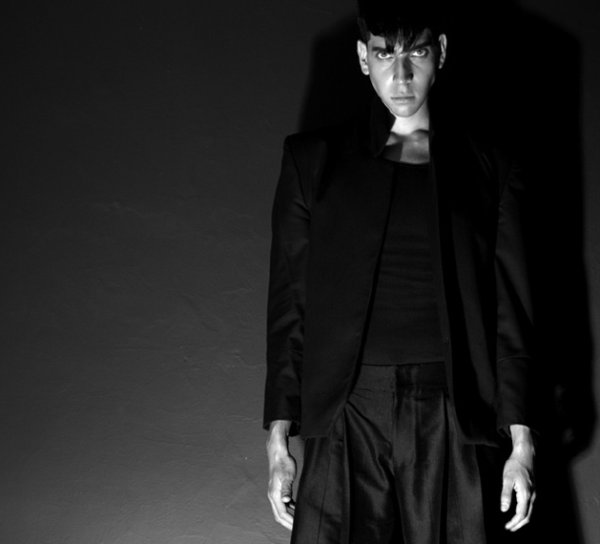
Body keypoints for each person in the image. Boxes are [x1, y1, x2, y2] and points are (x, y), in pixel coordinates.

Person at [263, 2, 538, 542]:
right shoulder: (312, 161)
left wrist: (522, 442)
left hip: (453, 410)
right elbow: (290, 305)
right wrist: (278, 441)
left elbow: (512, 313)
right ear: (363, 57)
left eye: (417, 52)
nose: (403, 75)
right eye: (386, 54)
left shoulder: (490, 167)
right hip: (345, 411)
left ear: (441, 52)